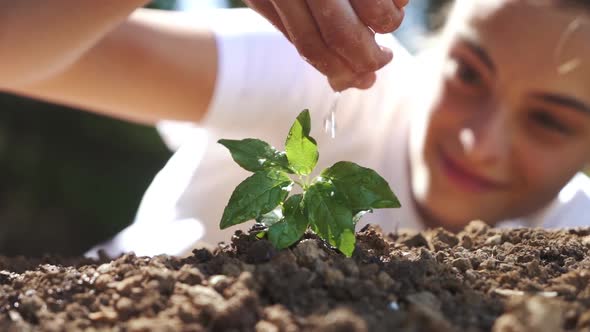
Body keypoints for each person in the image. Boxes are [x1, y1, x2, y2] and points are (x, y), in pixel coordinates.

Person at [3, 1, 590, 257]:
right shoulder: (321, 75)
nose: (478, 143)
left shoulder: (574, 243)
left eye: (548, 121)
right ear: (436, 44)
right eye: (467, 73)